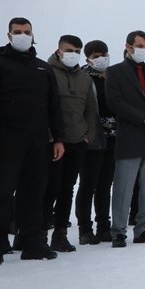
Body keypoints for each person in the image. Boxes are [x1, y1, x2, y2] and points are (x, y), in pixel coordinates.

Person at [0, 17, 66, 265]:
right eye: (17, 32)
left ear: (33, 34)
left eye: (26, 32)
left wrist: (58, 138)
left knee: (33, 193)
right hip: (6, 139)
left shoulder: (42, 68)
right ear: (8, 35)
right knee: (3, 192)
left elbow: (54, 106)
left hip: (38, 140)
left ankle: (32, 243)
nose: (22, 35)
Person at [105, 30, 145, 248]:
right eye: (140, 45)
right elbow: (114, 101)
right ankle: (119, 231)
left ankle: (143, 229)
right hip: (130, 136)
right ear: (128, 46)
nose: (143, 50)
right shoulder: (114, 72)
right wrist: (143, 118)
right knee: (124, 186)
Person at [43, 34, 96, 252]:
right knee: (48, 188)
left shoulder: (85, 78)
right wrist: (53, 137)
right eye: (69, 50)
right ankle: (35, 233)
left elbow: (91, 109)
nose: (73, 54)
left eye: (77, 51)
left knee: (67, 188)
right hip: (52, 142)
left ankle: (60, 234)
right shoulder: (46, 72)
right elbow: (42, 108)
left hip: (77, 141)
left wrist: (87, 136)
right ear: (58, 51)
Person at [76, 41, 116, 245]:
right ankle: (84, 228)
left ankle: (103, 225)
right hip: (91, 138)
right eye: (97, 55)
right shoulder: (83, 78)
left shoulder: (112, 76)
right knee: (88, 184)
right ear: (88, 58)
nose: (102, 58)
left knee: (105, 184)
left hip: (112, 137)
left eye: (105, 54)